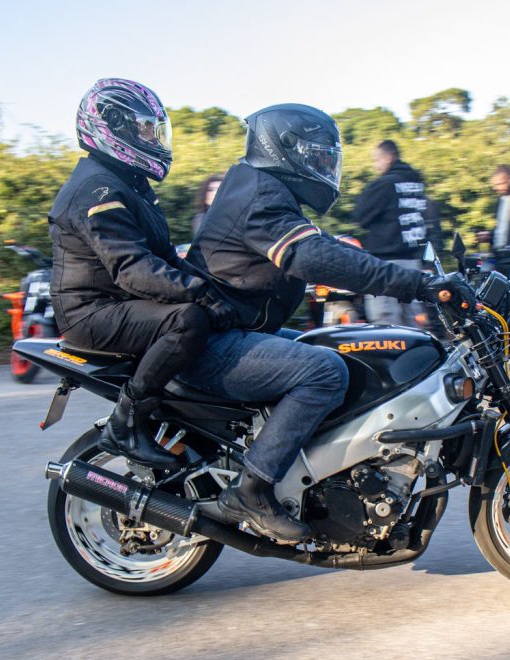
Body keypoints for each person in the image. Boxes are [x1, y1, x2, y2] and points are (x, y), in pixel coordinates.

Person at [184, 104, 474, 542]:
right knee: (324, 371)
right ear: (284, 151)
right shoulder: (261, 196)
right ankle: (251, 490)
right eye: (316, 156)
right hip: (218, 340)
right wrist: (416, 285)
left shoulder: (260, 186)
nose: (323, 166)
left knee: (335, 349)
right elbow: (311, 256)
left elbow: (320, 247)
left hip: (233, 328)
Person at [48, 78, 236, 469]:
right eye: (143, 129)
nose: (152, 138)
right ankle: (126, 422)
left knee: (214, 312)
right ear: (112, 126)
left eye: (154, 130)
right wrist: (199, 295)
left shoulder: (128, 185)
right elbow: (133, 269)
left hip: (121, 303)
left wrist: (222, 291)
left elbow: (167, 258)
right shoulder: (97, 189)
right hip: (92, 312)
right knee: (188, 319)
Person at [352, 140, 429, 326]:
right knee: (412, 322)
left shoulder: (384, 184)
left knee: (385, 323)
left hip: (386, 264)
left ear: (388, 157)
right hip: (413, 262)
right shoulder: (416, 184)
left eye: (377, 160)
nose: (376, 165)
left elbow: (360, 215)